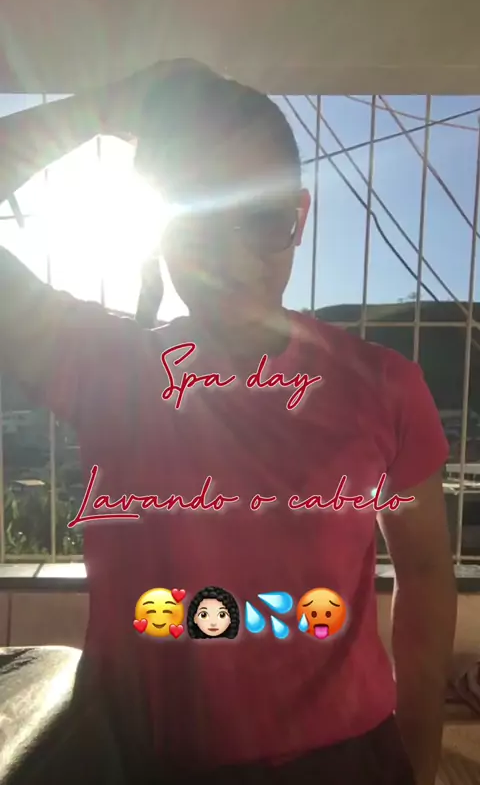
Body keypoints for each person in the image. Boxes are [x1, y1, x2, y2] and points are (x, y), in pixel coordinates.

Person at [0, 60, 456, 785]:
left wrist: (420, 757)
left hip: (347, 764)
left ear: (300, 218)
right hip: (135, 764)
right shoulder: (104, 367)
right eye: (198, 223)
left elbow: (427, 573)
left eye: (264, 219)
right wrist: (102, 104)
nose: (234, 259)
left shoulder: (385, 386)